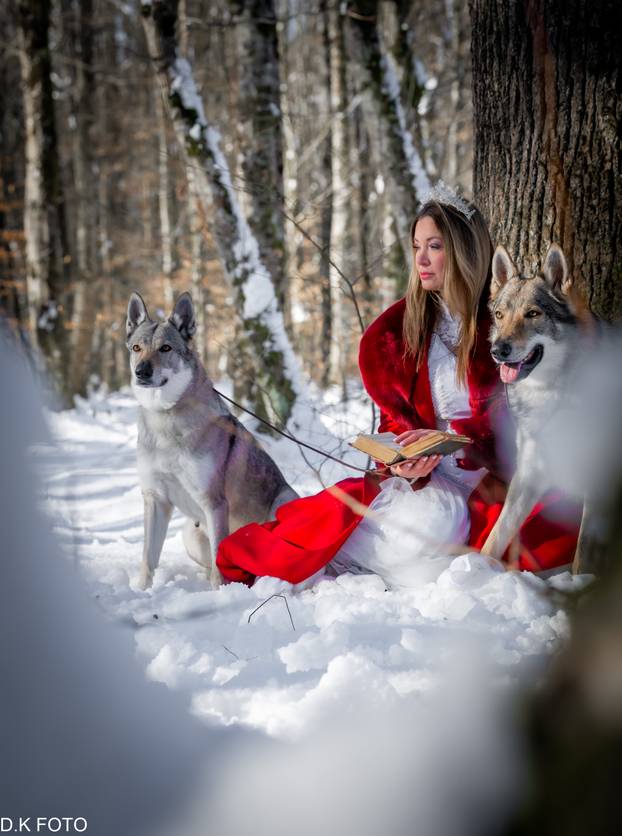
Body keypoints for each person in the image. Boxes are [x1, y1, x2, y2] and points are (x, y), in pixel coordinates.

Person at [216, 192, 581, 588]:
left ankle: (370, 564)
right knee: (416, 524)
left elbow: (525, 424)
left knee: (454, 538)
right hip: (426, 480)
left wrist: (467, 441)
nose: (421, 259)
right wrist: (402, 460)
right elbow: (395, 424)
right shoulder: (398, 332)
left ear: (465, 252)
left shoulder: (506, 325)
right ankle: (344, 560)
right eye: (416, 246)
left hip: (488, 480)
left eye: (435, 246)